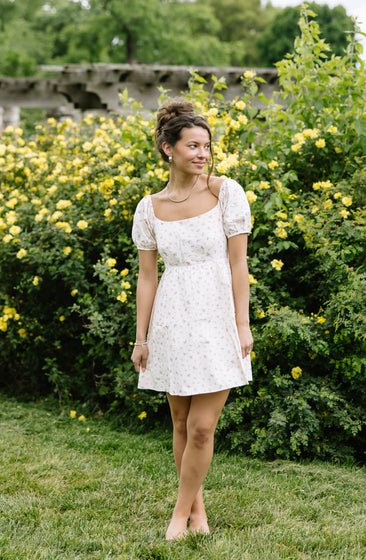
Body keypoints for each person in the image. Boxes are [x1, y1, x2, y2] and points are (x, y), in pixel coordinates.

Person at [131, 98, 253, 541]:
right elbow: (147, 278)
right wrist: (140, 337)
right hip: (171, 320)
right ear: (168, 148)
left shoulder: (225, 193)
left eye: (207, 146)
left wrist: (242, 323)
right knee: (181, 422)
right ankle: (198, 511)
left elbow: (239, 265)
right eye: (193, 146)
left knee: (203, 426)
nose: (203, 154)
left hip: (218, 317)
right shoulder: (149, 207)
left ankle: (177, 514)